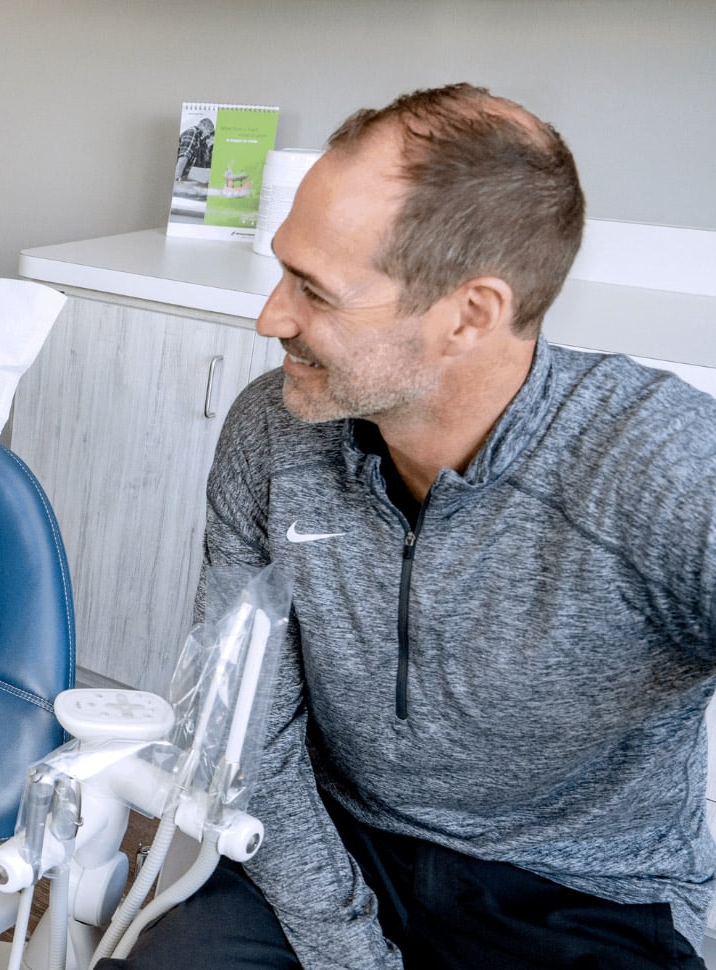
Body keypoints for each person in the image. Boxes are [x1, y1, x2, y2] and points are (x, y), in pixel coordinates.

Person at [105, 84, 716, 969]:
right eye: (283, 272)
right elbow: (251, 733)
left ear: (470, 315)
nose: (271, 317)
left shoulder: (661, 466)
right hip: (324, 840)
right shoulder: (275, 433)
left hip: (579, 895)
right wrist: (351, 951)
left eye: (315, 292)